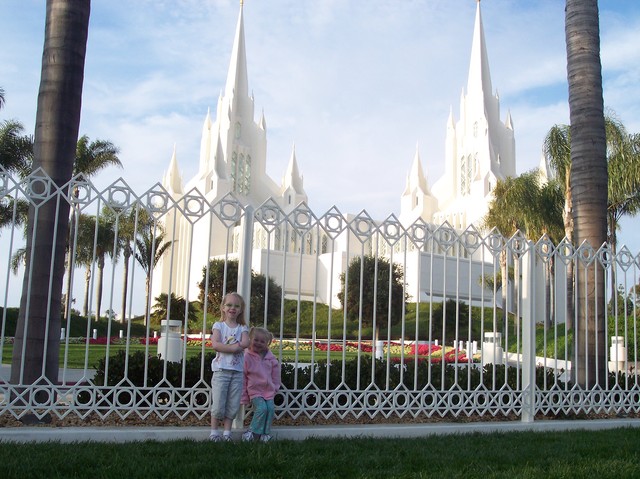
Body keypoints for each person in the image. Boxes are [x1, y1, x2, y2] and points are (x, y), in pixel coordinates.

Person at [209, 292, 250, 442]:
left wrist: (232, 346)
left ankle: (227, 433)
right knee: (218, 404)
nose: (232, 308)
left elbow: (245, 343)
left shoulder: (242, 327)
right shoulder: (218, 326)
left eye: (236, 306)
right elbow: (215, 344)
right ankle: (214, 432)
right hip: (221, 371)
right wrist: (234, 348)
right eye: (229, 305)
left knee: (233, 404)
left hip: (237, 372)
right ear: (223, 308)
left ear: (240, 310)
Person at [241, 326, 281, 442]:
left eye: (262, 341)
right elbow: (243, 377)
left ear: (267, 344)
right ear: (250, 339)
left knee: (270, 409)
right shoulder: (247, 356)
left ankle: (265, 434)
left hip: (268, 390)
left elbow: (275, 374)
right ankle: (252, 432)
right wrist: (244, 395)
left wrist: (276, 387)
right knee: (262, 409)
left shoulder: (270, 358)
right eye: (256, 340)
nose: (258, 343)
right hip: (255, 391)